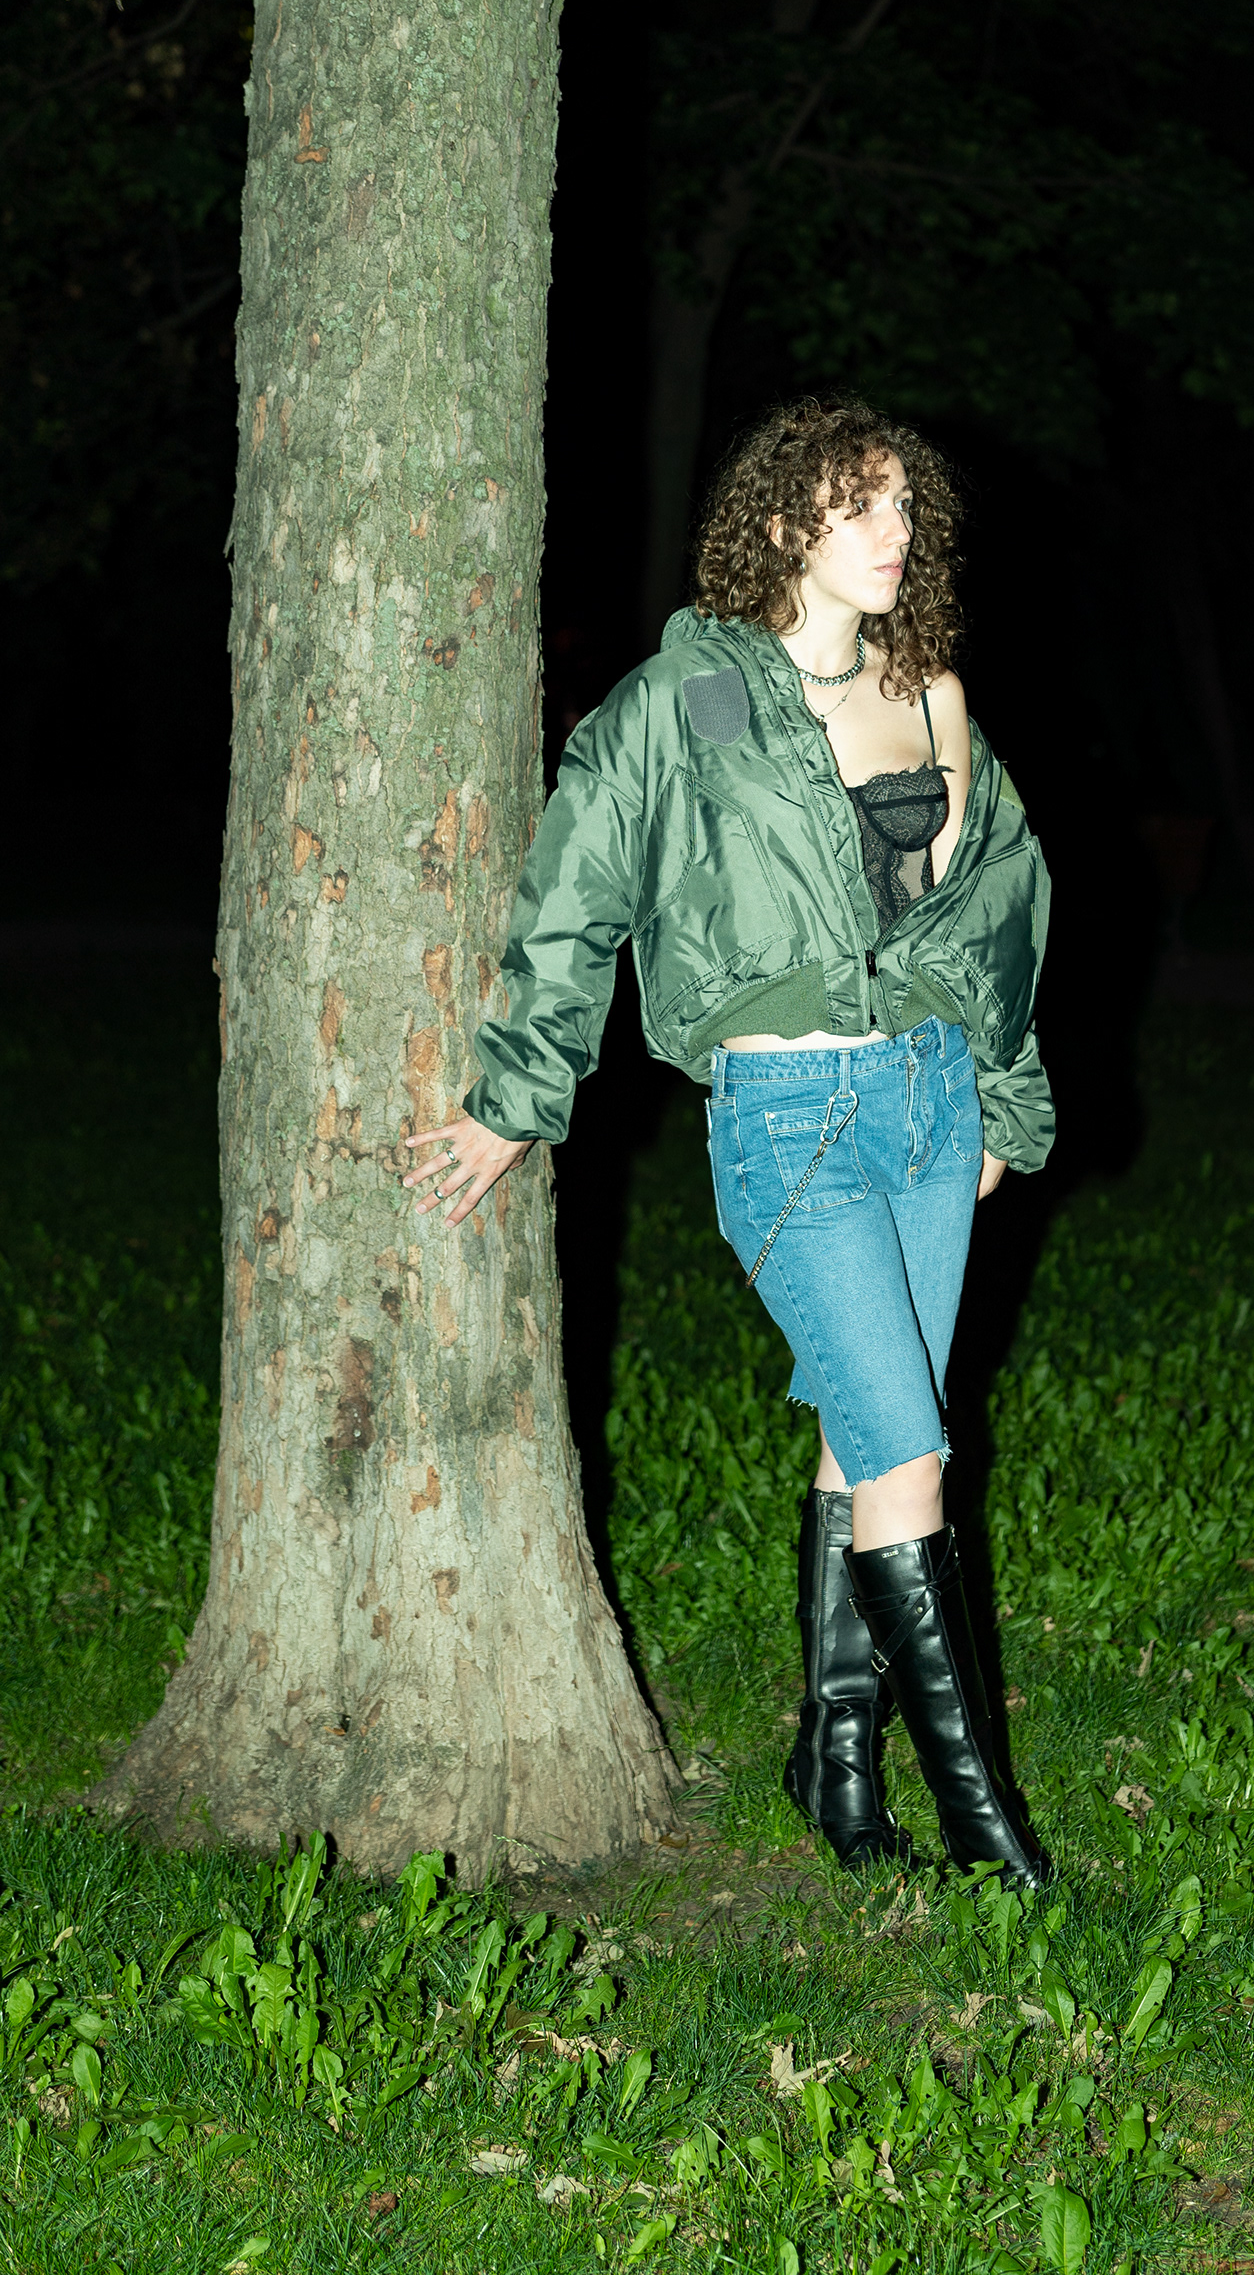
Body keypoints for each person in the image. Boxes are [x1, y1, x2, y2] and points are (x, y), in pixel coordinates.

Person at [402, 396, 1054, 1888]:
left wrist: (1005, 1100)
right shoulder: (691, 699)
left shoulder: (932, 695)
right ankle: (989, 1835)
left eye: (904, 506)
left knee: (861, 1434)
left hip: (931, 1108)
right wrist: (517, 1092)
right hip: (790, 1121)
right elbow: (580, 881)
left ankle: (837, 1763)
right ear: (779, 526)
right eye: (856, 506)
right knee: (912, 1458)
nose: (893, 532)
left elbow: (997, 909)